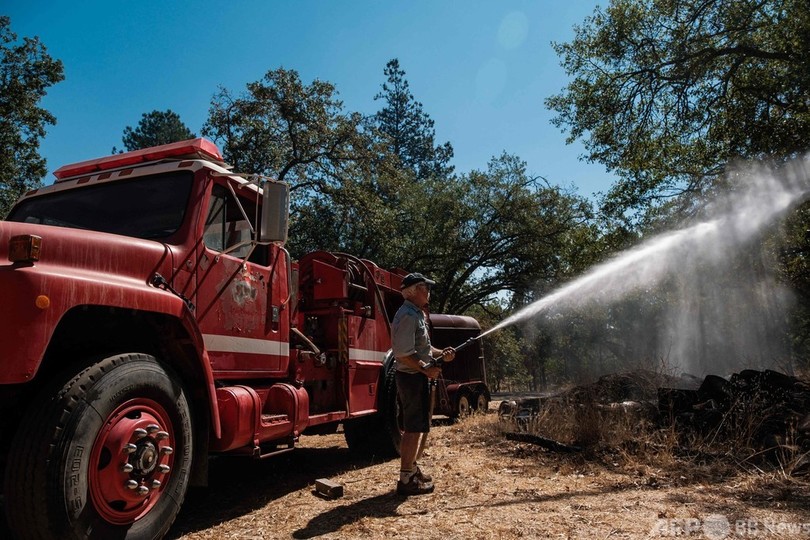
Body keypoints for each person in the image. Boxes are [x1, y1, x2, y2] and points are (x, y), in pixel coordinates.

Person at [391, 272, 455, 496]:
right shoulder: (408, 316)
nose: (428, 291)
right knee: (412, 428)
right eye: (424, 287)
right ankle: (406, 478)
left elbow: (423, 350)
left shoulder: (415, 314)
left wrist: (441, 353)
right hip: (411, 378)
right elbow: (402, 353)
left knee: (417, 427)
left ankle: (413, 469)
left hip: (415, 376)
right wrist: (425, 369)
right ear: (414, 291)